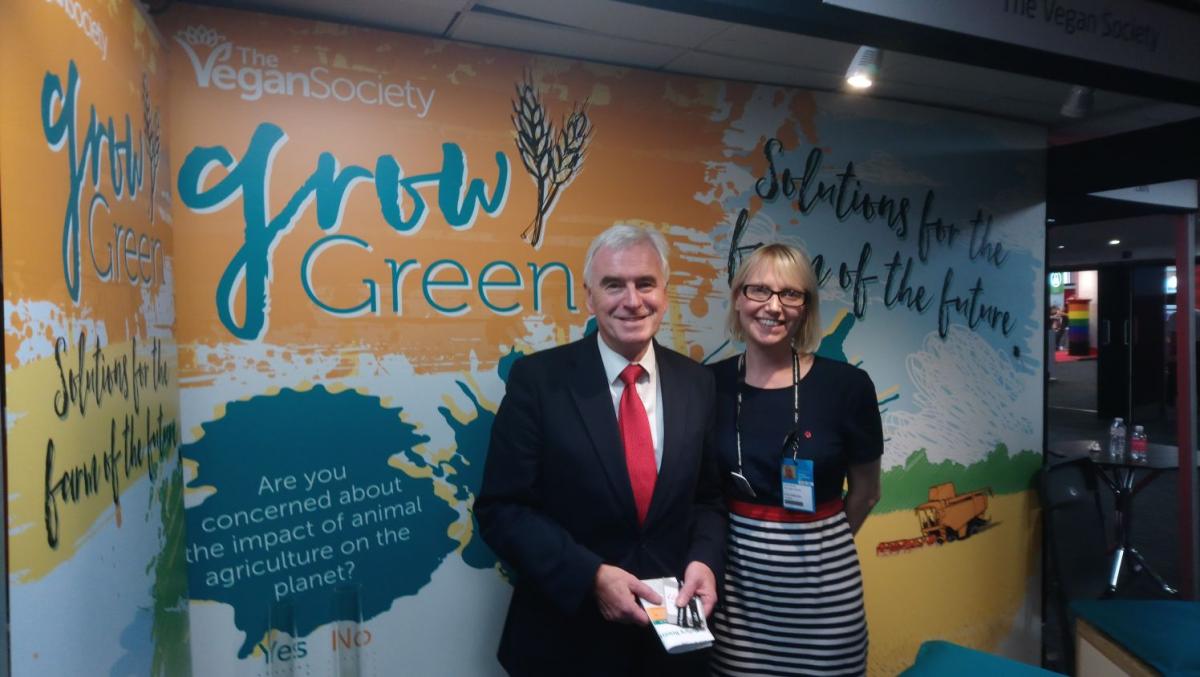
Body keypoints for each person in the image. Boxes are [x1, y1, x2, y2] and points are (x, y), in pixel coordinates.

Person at [476, 224, 727, 676]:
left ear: (665, 293)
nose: (632, 300)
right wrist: (589, 576)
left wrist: (704, 560)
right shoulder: (538, 381)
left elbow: (709, 499)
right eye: (614, 285)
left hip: (672, 647)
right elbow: (502, 509)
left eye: (645, 283)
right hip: (567, 642)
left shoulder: (698, 383)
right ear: (589, 298)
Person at [709, 243, 883, 677]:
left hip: (826, 604)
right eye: (759, 291)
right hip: (738, 603)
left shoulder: (848, 386)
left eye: (791, 294)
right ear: (737, 298)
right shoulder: (707, 384)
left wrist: (820, 546)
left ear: (806, 308)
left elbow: (865, 493)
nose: (774, 306)